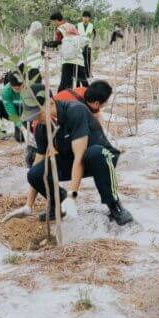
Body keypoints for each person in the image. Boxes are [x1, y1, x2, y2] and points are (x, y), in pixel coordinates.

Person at [23, 80, 132, 225]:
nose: (36, 120)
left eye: (37, 114)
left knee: (94, 153)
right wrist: (28, 206)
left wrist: (72, 196)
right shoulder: (43, 128)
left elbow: (79, 157)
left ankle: (114, 205)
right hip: (71, 160)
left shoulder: (75, 110)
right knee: (34, 172)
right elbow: (38, 163)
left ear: (49, 103)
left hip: (99, 158)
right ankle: (58, 203)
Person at [48, 12, 88, 91]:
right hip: (79, 59)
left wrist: (47, 44)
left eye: (53, 22)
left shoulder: (60, 29)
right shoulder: (72, 26)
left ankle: (60, 100)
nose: (53, 24)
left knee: (65, 83)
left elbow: (57, 42)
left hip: (68, 59)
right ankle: (88, 98)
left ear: (56, 20)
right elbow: (79, 40)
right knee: (83, 82)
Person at [0, 71, 26, 141]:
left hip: (27, 114)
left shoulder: (31, 89)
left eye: (19, 88)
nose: (18, 90)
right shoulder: (6, 91)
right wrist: (21, 127)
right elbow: (12, 112)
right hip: (14, 113)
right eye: (15, 88)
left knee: (21, 138)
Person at [76, 11, 96, 79]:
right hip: (80, 45)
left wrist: (92, 40)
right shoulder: (78, 25)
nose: (85, 18)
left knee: (88, 60)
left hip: (88, 45)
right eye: (84, 17)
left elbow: (94, 34)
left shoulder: (91, 25)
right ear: (82, 17)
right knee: (80, 60)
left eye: (87, 17)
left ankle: (88, 74)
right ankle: (80, 74)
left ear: (89, 18)